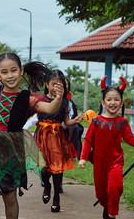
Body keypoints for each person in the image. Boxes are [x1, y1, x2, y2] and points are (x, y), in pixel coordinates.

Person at [0, 52, 64, 219]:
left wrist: (58, 99)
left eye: (13, 70)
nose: (9, 76)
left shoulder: (28, 98)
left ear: (21, 71)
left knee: (8, 193)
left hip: (12, 148)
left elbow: (49, 109)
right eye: (4, 72)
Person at [78, 76, 134, 219]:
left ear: (121, 103)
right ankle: (108, 206)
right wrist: (83, 158)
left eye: (116, 99)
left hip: (116, 161)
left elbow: (131, 140)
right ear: (103, 103)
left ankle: (112, 212)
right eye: (109, 99)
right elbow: (88, 140)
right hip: (99, 163)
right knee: (102, 194)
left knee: (115, 187)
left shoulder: (122, 122)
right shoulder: (96, 121)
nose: (113, 102)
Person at [34, 70, 83, 213]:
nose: (56, 87)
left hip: (57, 137)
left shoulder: (66, 102)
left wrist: (75, 121)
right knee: (43, 168)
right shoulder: (40, 99)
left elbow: (66, 121)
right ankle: (47, 185)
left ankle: (56, 197)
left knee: (57, 168)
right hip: (42, 136)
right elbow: (34, 117)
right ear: (47, 84)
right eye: (53, 84)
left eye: (60, 85)